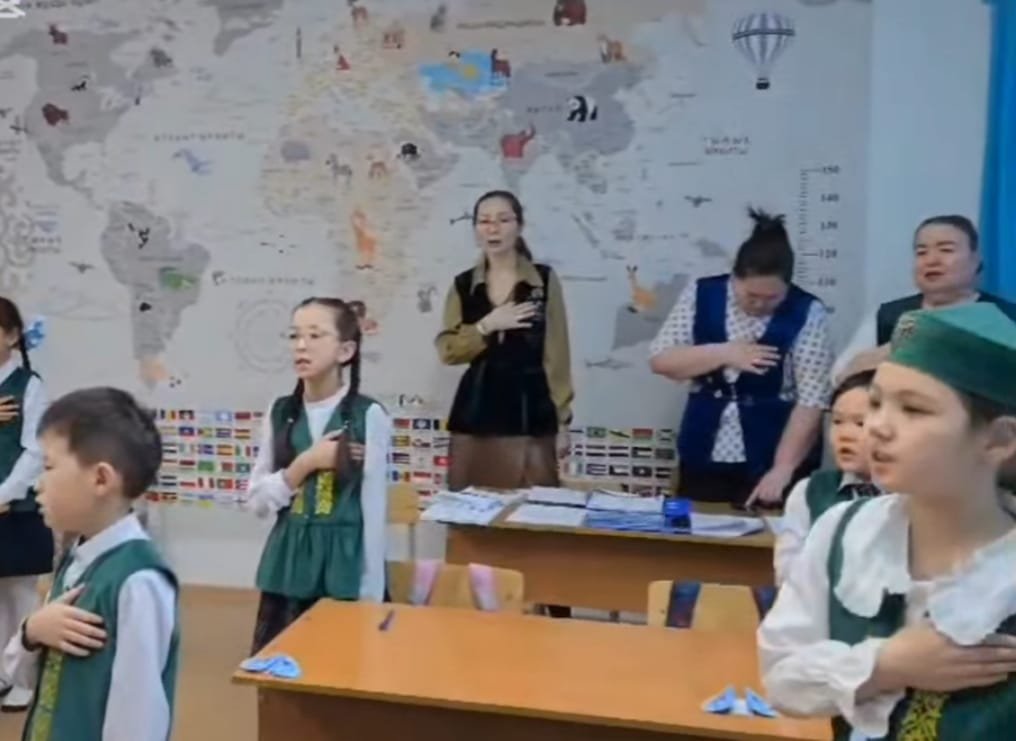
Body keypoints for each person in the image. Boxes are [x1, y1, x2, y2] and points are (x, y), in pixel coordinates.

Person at [758, 303, 1016, 740]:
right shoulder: (845, 531)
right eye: (876, 403)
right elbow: (782, 676)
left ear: (998, 440)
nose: (876, 427)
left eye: (913, 410)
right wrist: (886, 665)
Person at [2, 387, 177, 740]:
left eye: (49, 467)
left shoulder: (138, 581)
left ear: (100, 479)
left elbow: (137, 719)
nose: (38, 485)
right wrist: (32, 633)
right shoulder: (77, 559)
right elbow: (28, 678)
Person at [650, 208, 833, 508]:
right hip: (705, 448)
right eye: (750, 296)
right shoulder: (702, 294)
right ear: (734, 278)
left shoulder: (808, 311)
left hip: (774, 451)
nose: (759, 305)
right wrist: (724, 352)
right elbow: (661, 360)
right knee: (698, 528)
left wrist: (783, 467)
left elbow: (812, 399)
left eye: (772, 298)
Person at [248, 297, 391, 652]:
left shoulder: (368, 415)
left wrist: (372, 594)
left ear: (345, 351)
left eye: (315, 335)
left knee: (340, 666)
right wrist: (305, 463)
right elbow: (257, 502)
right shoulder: (280, 412)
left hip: (344, 569)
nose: (301, 345)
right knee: (281, 669)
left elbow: (374, 512)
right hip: (289, 567)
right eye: (294, 335)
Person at [435, 190, 573, 491]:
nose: (493, 229)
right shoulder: (463, 285)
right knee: (470, 507)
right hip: (476, 412)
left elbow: (557, 353)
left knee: (533, 507)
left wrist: (563, 421)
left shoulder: (543, 281)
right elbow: (448, 351)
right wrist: (486, 325)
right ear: (475, 229)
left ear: (519, 226)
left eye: (503, 220)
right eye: (484, 221)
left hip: (530, 412)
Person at [833, 214, 1016, 379]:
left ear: (976, 259)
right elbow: (839, 377)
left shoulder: (1007, 317)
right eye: (921, 252)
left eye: (946, 250)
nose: (931, 260)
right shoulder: (888, 316)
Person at [773, 363, 879, 585]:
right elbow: (787, 576)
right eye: (837, 422)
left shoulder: (919, 496)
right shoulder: (809, 492)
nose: (844, 434)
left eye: (860, 423)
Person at [0, 298, 50, 712]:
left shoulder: (29, 386)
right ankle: (3, 670)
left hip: (15, 507)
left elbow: (35, 450)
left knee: (20, 594)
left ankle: (25, 678)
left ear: (13, 336)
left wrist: (4, 494)